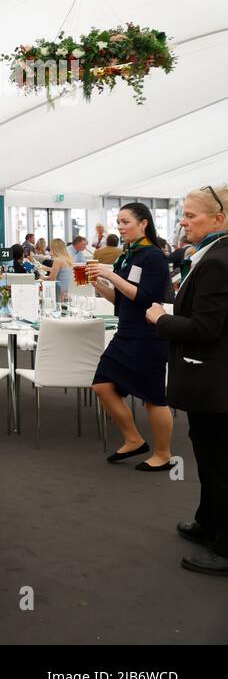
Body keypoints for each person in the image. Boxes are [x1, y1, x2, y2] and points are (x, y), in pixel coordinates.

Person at [146, 184, 228, 575]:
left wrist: (161, 318)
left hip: (214, 380)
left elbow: (206, 327)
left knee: (219, 462)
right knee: (207, 455)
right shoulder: (212, 255)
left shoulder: (218, 260)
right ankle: (208, 522)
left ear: (219, 219)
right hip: (210, 379)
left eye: (191, 215)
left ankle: (225, 547)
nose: (182, 222)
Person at [87, 202, 173, 470]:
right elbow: (121, 300)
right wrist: (98, 284)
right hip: (126, 332)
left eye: (126, 222)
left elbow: (146, 297)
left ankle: (163, 454)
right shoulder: (129, 255)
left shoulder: (153, 256)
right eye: (119, 223)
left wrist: (110, 274)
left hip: (147, 335)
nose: (120, 227)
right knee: (102, 385)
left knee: (153, 397)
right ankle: (134, 439)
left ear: (143, 223)